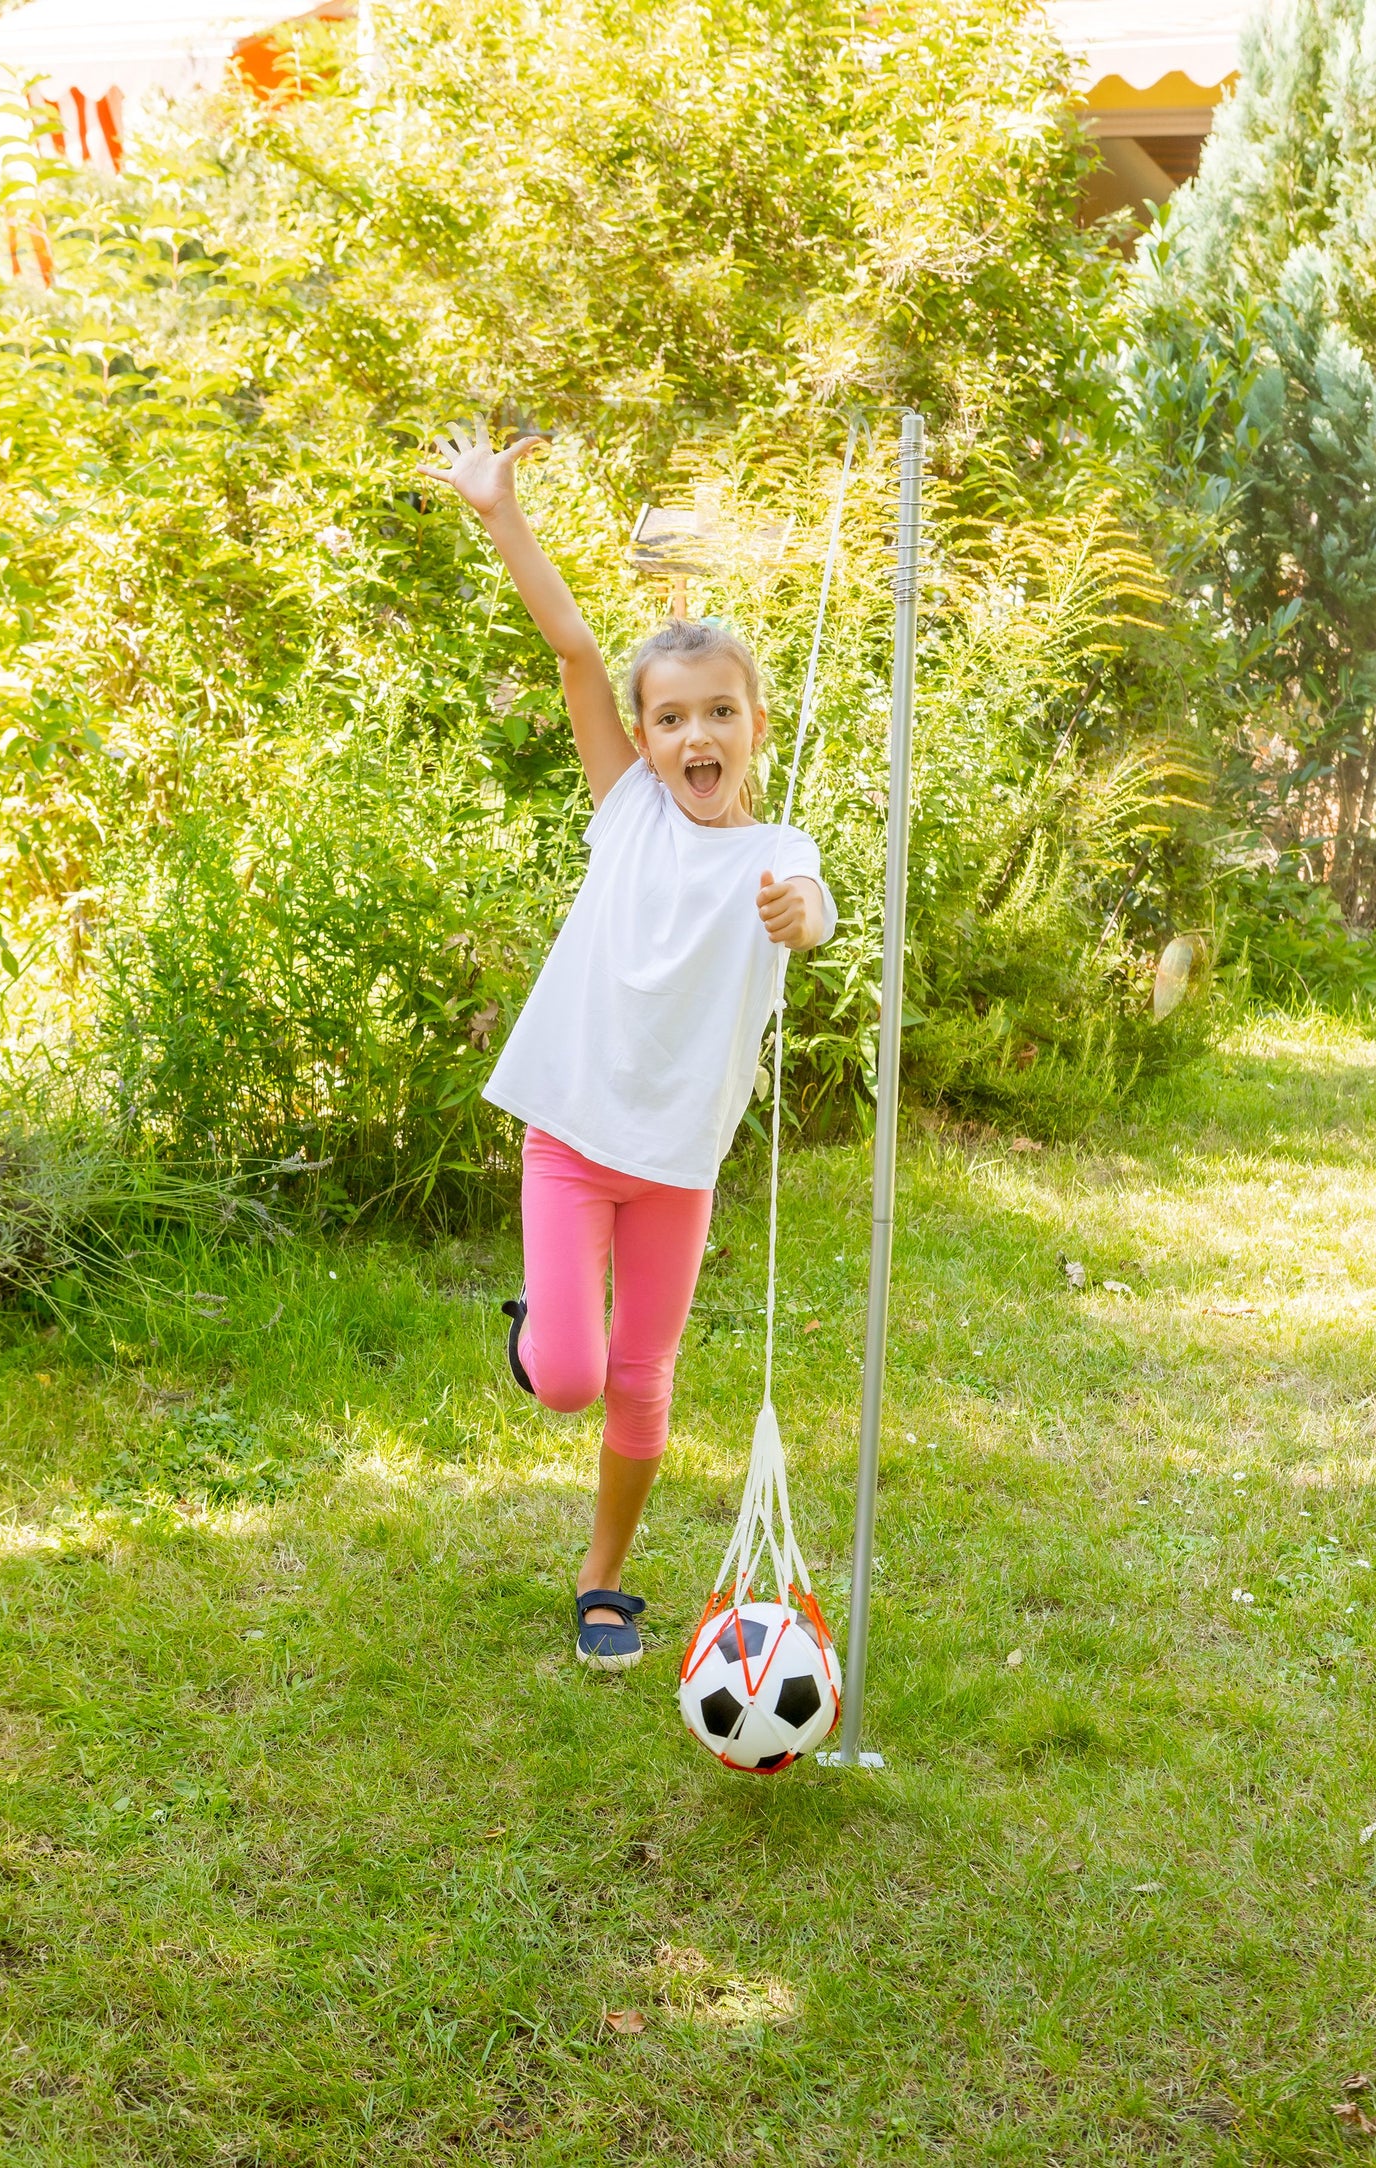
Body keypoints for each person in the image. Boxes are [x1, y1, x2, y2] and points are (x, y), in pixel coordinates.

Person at [419, 421, 836, 1672]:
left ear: (753, 724)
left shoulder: (781, 853)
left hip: (678, 1161)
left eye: (718, 712)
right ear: (645, 739)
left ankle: (604, 1579)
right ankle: (541, 1333)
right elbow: (576, 651)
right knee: (565, 1377)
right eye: (671, 719)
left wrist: (795, 915)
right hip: (573, 1133)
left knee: (642, 1381)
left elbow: (811, 918)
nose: (693, 735)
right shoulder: (626, 811)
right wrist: (498, 511)